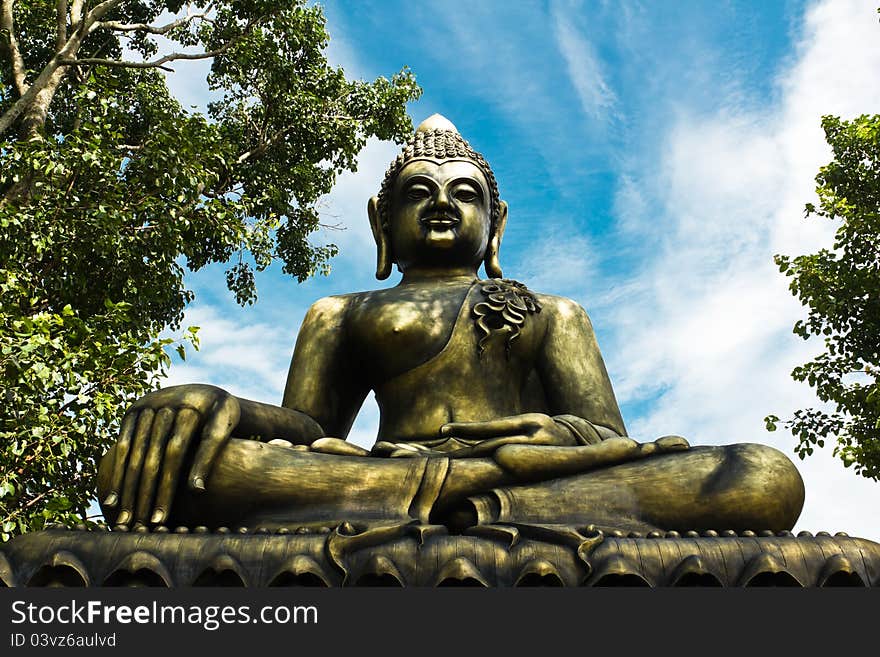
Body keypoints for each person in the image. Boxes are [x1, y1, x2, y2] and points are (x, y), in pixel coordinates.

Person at [97, 115, 805, 533]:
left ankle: (485, 499)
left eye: (464, 194)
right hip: (386, 474)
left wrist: (545, 437)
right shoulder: (339, 313)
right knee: (181, 465)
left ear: (494, 224)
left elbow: (611, 440)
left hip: (529, 477)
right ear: (383, 223)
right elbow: (311, 430)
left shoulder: (554, 313)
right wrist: (223, 406)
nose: (442, 204)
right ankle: (471, 500)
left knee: (761, 475)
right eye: (419, 193)